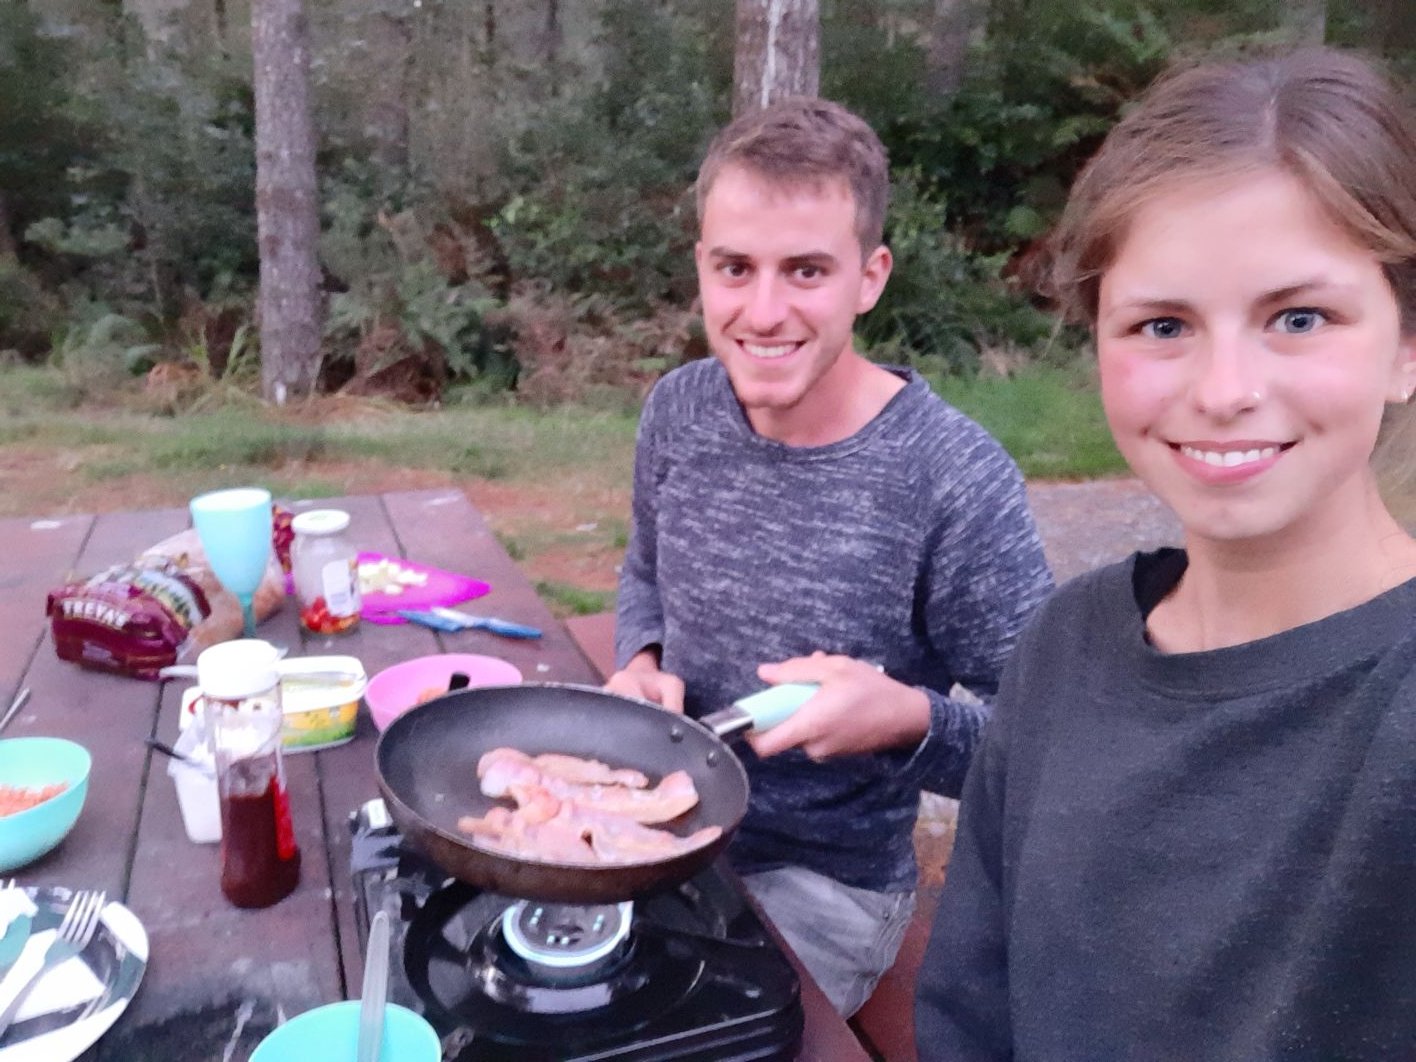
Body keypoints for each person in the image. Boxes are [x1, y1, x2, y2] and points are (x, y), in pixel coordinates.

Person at [915, 47, 1416, 1059]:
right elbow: (973, 1007)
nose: (1224, 390)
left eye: (1299, 318)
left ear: (1406, 345)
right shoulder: (1066, 647)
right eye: (1162, 325)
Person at [606, 97, 1053, 1017]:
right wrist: (641, 658)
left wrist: (905, 720)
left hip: (824, 882)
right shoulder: (678, 410)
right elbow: (645, 567)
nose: (764, 312)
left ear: (869, 277)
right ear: (702, 266)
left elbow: (1053, 746)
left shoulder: (951, 477)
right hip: (661, 826)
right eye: (736, 268)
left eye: (806, 270)